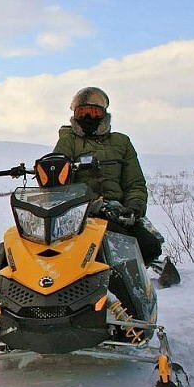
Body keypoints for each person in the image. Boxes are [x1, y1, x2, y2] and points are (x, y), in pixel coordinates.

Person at [53, 87, 163, 266]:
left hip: (118, 212)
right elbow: (55, 174)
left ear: (104, 114)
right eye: (82, 112)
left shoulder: (121, 142)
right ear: (75, 115)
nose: (88, 118)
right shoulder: (68, 141)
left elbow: (135, 183)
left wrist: (133, 209)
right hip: (82, 213)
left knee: (149, 246)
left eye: (94, 112)